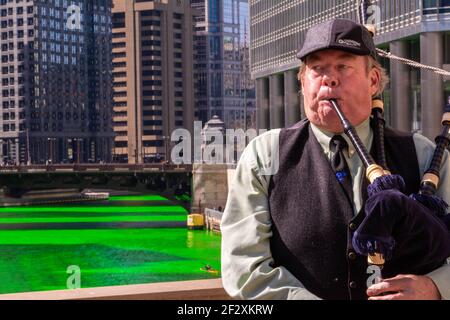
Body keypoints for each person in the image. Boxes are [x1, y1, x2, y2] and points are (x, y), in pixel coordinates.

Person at [221, 18, 450, 300]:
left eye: (343, 66)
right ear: (303, 83)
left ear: (374, 81)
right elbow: (245, 268)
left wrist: (435, 287)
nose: (329, 78)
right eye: (316, 69)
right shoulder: (264, 155)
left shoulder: (422, 154)